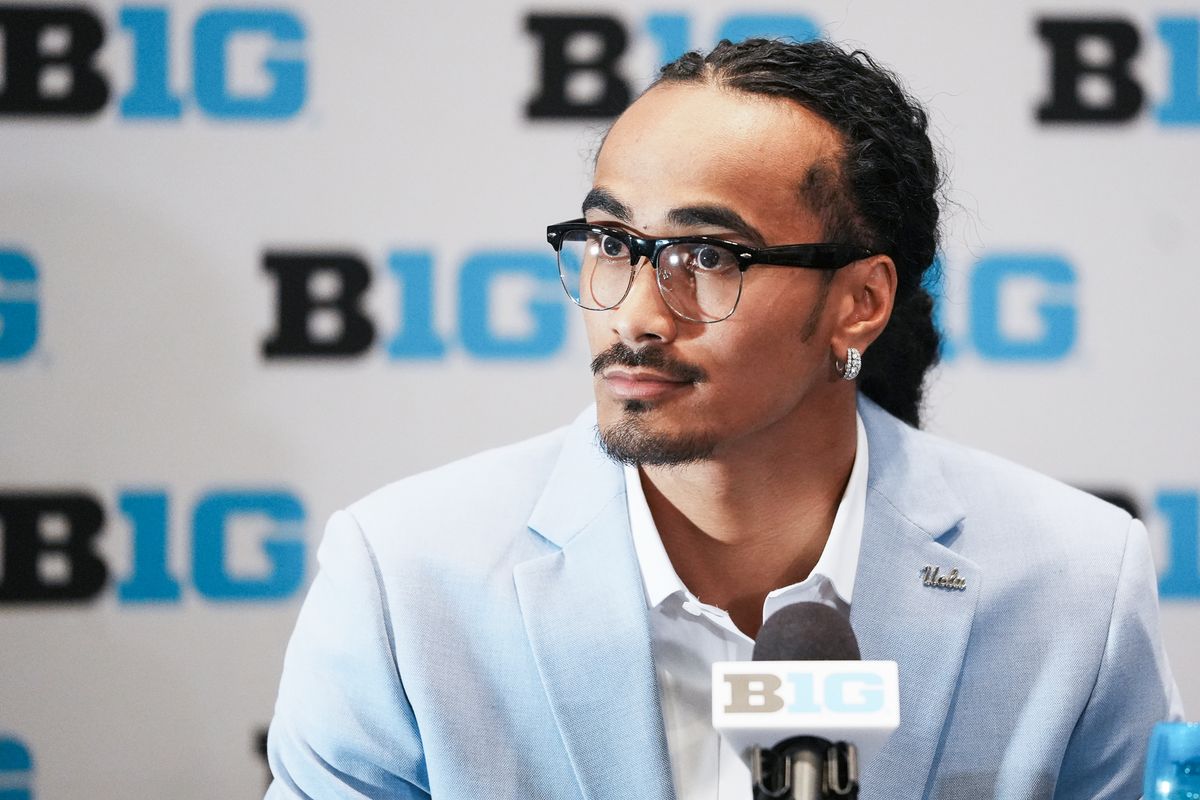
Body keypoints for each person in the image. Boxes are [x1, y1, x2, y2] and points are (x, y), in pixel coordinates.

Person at [264, 39, 1181, 799]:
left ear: (860, 301)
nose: (635, 313)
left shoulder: (1073, 585)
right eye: (613, 243)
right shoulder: (408, 582)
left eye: (706, 254)